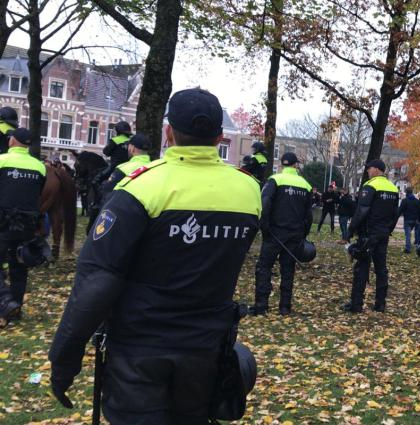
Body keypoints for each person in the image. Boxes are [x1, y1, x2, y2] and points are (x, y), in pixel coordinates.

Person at [48, 88, 262, 423]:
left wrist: (64, 359)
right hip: (206, 351)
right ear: (219, 137)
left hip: (139, 352)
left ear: (168, 132)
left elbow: (96, 282)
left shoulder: (140, 188)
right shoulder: (248, 191)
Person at [250, 152, 312, 316]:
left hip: (273, 233)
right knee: (288, 270)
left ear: (283, 165)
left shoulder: (275, 180)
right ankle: (285, 307)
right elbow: (308, 216)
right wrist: (302, 235)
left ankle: (261, 305)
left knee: (264, 267)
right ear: (295, 165)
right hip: (294, 235)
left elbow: (264, 203)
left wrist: (264, 227)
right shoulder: (305, 185)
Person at [0, 128, 46, 326]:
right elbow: (38, 192)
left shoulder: (1, 161)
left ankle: (6, 301)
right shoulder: (40, 167)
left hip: (2, 223)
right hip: (27, 226)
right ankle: (15, 310)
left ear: (12, 141)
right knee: (19, 267)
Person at [343, 159, 399, 313]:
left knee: (361, 267)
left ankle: (356, 305)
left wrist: (350, 230)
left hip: (368, 233)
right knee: (381, 268)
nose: (367, 171)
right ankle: (380, 304)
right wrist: (388, 229)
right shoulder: (393, 189)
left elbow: (362, 210)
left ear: (377, 169)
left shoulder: (370, 186)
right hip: (383, 233)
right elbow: (395, 214)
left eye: (369, 168)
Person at [99, 133, 152, 202]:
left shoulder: (123, 168)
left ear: (132, 148)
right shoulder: (155, 168)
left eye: (128, 146)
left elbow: (107, 192)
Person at [398, 187, 420, 253]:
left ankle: (408, 248)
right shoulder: (417, 201)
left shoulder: (404, 201)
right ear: (412, 192)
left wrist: (396, 217)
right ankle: (418, 247)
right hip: (416, 219)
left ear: (406, 192)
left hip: (407, 219)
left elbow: (400, 210)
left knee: (408, 235)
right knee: (417, 233)